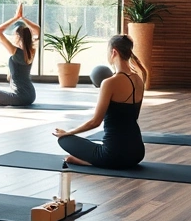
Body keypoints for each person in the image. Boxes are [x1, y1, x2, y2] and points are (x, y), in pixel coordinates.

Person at [53, 34, 147, 169]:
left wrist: (68, 133)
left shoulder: (110, 83)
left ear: (114, 52)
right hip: (137, 153)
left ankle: (89, 161)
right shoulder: (139, 79)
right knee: (100, 146)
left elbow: (95, 122)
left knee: (63, 140)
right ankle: (95, 160)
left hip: (114, 155)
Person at [0, 3, 40, 107]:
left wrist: (16, 18)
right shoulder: (32, 51)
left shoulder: (16, 52)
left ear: (18, 37)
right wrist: (23, 19)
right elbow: (38, 30)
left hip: (20, 97)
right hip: (31, 95)